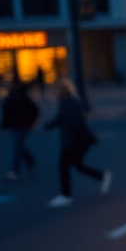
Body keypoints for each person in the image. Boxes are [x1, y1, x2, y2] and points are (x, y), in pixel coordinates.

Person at [44, 79, 110, 208]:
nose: (54, 92)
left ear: (62, 90)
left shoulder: (71, 103)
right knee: (77, 166)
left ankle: (65, 195)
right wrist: (47, 126)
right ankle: (102, 176)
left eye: (56, 89)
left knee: (63, 166)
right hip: (73, 140)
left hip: (74, 141)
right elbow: (60, 119)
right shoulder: (65, 102)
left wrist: (92, 138)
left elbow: (80, 124)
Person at [0, 75, 39, 181]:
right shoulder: (13, 96)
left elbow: (32, 109)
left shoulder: (20, 96)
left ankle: (14, 170)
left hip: (21, 125)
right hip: (16, 125)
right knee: (19, 145)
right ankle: (29, 160)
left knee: (17, 146)